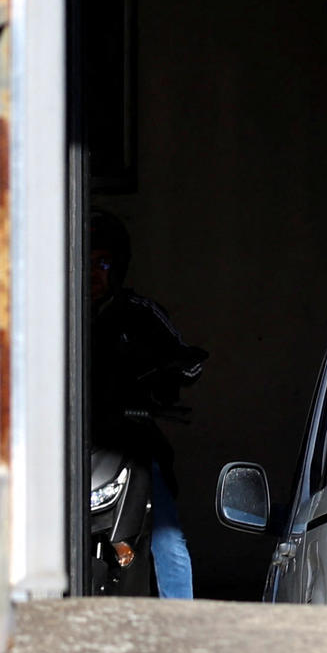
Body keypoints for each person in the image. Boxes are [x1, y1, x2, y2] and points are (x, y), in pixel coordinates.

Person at [88, 210, 207, 599]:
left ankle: (181, 623)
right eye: (86, 262)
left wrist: (166, 374)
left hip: (132, 444)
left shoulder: (139, 313)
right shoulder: (57, 314)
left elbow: (188, 361)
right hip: (70, 446)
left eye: (102, 263)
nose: (94, 273)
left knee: (167, 538)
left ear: (118, 267)